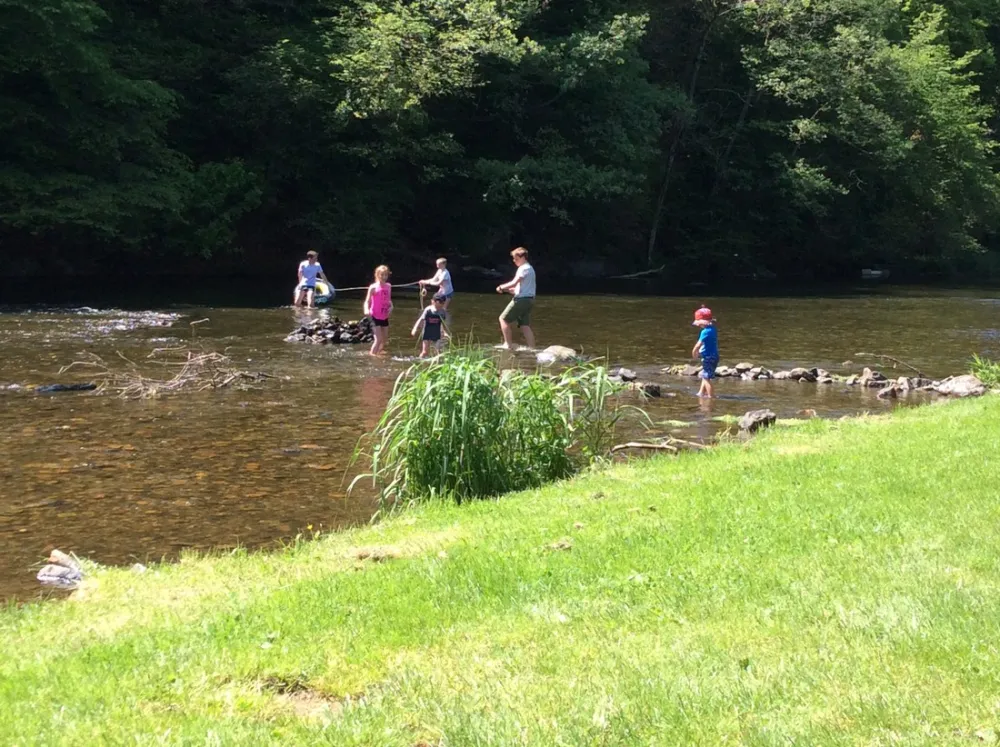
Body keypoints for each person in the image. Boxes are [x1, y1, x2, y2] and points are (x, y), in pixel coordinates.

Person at [495, 247, 536, 350]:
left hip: (521, 300)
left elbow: (514, 282)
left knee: (503, 319)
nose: (514, 261)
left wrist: (501, 287)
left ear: (522, 257)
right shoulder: (530, 269)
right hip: (529, 300)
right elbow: (522, 288)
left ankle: (507, 344)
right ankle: (532, 348)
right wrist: (510, 290)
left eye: (515, 258)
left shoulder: (523, 268)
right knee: (524, 325)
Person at [362, 265, 393, 356]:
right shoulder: (373, 287)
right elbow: (367, 301)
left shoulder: (388, 286)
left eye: (386, 275)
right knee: (378, 339)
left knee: (385, 339)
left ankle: (379, 352)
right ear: (377, 275)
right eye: (382, 275)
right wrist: (366, 309)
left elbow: (388, 299)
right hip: (374, 315)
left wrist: (391, 306)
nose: (384, 277)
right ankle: (372, 355)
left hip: (384, 315)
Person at [691, 306, 719, 398]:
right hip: (714, 356)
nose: (698, 325)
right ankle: (701, 392)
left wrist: (694, 352)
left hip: (708, 357)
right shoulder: (713, 329)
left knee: (706, 378)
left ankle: (711, 396)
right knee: (705, 375)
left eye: (699, 323)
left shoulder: (705, 332)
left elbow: (698, 344)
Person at [411, 293, 450, 358]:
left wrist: (444, 332)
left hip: (437, 332)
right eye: (438, 303)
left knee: (437, 352)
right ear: (432, 301)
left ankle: (436, 365)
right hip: (427, 332)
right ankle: (420, 361)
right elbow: (421, 319)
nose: (439, 305)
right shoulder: (428, 310)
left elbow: (442, 323)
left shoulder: (442, 312)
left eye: (442, 303)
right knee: (425, 352)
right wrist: (415, 329)